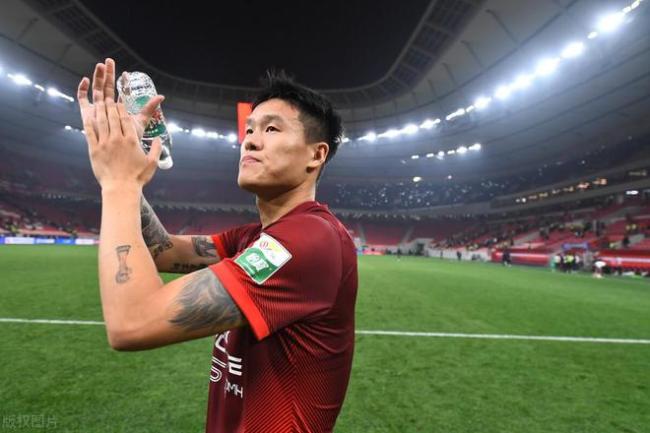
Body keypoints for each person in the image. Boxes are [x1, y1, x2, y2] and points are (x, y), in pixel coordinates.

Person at [77, 58, 357, 433]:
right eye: (249, 129)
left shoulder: (309, 240)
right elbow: (164, 250)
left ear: (316, 154)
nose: (250, 140)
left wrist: (119, 183)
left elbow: (132, 323)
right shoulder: (252, 238)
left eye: (272, 129)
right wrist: (123, 169)